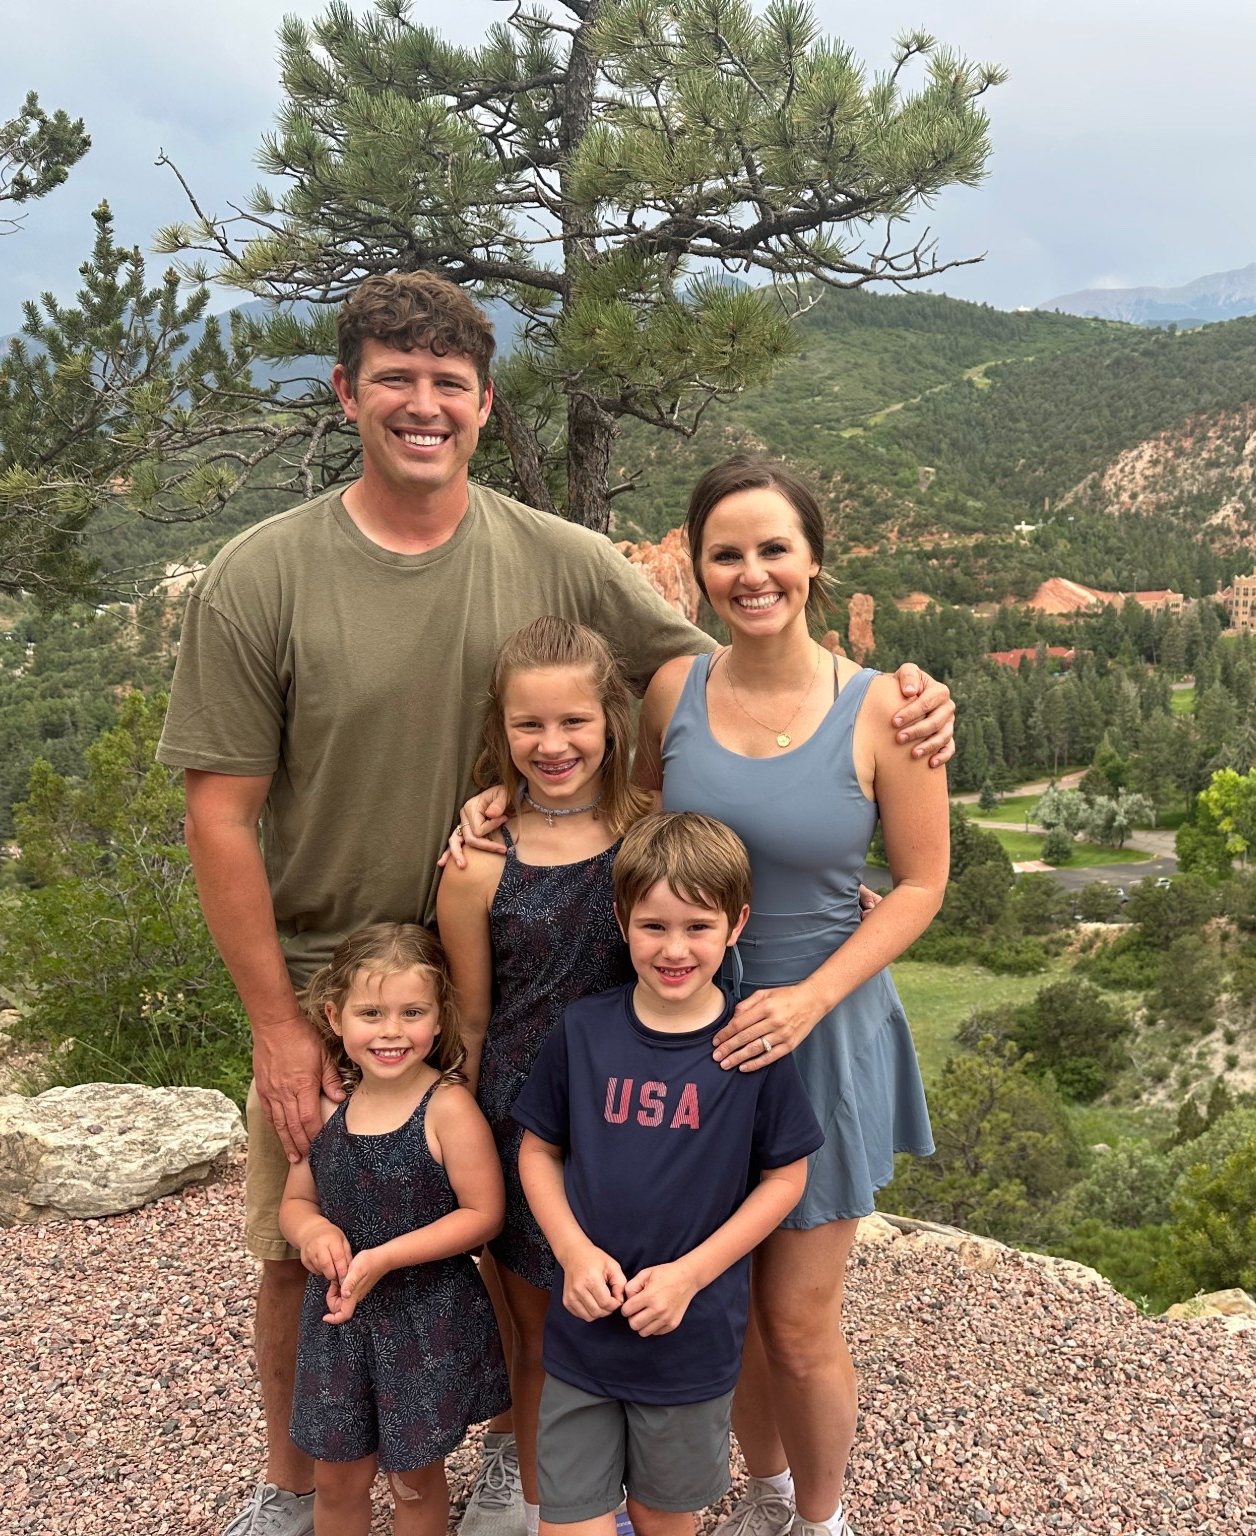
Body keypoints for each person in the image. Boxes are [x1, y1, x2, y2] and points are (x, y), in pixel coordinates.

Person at [157, 270, 956, 1536]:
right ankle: (295, 1485)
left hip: (536, 966)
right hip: (342, 977)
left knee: (525, 1248)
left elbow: (720, 672)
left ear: (483, 401)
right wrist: (273, 1022)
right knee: (302, 1244)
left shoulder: (552, 553)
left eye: (449, 385)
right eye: (395, 381)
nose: (423, 407)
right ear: (345, 390)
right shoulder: (267, 576)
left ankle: (529, 1479)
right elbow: (219, 815)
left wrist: (892, 698)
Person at [643, 457, 949, 1536]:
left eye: (773, 548)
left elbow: (920, 884)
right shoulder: (673, 690)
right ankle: (765, 1491)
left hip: (818, 1029)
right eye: (726, 552)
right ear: (696, 568)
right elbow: (634, 836)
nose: (751, 572)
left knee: (797, 1317)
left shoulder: (885, 712)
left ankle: (821, 1523)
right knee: (724, 1308)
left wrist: (810, 997)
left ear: (814, 563)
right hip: (688, 1032)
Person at [512, 813, 825, 1536]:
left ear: (735, 924)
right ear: (622, 921)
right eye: (654, 926)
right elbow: (537, 1151)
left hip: (689, 1344)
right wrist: (571, 1251)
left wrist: (690, 1275)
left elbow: (785, 1179)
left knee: (662, 1516)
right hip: (583, 1336)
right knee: (568, 1524)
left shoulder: (753, 1044)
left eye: (697, 927)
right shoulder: (584, 1030)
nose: (675, 948)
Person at [438, 617, 652, 1534]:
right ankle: (539, 1500)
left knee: (642, 1311)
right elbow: (474, 1019)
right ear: (502, 727)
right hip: (524, 1123)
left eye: (574, 722)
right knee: (536, 1333)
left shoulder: (651, 836)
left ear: (610, 719)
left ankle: (647, 1497)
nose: (553, 745)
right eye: (530, 726)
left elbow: (715, 926)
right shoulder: (478, 862)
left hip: (643, 1120)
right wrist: (465, 1142)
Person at [280, 924, 510, 1536]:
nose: (390, 1030)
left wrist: (385, 1257)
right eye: (371, 1012)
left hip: (423, 1318)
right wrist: (310, 1234)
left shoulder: (447, 1106)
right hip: (339, 1322)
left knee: (413, 1479)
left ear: (439, 1020)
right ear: (335, 1016)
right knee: (337, 1478)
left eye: (412, 1012)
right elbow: (297, 1201)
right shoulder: (326, 1108)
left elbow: (483, 1213)